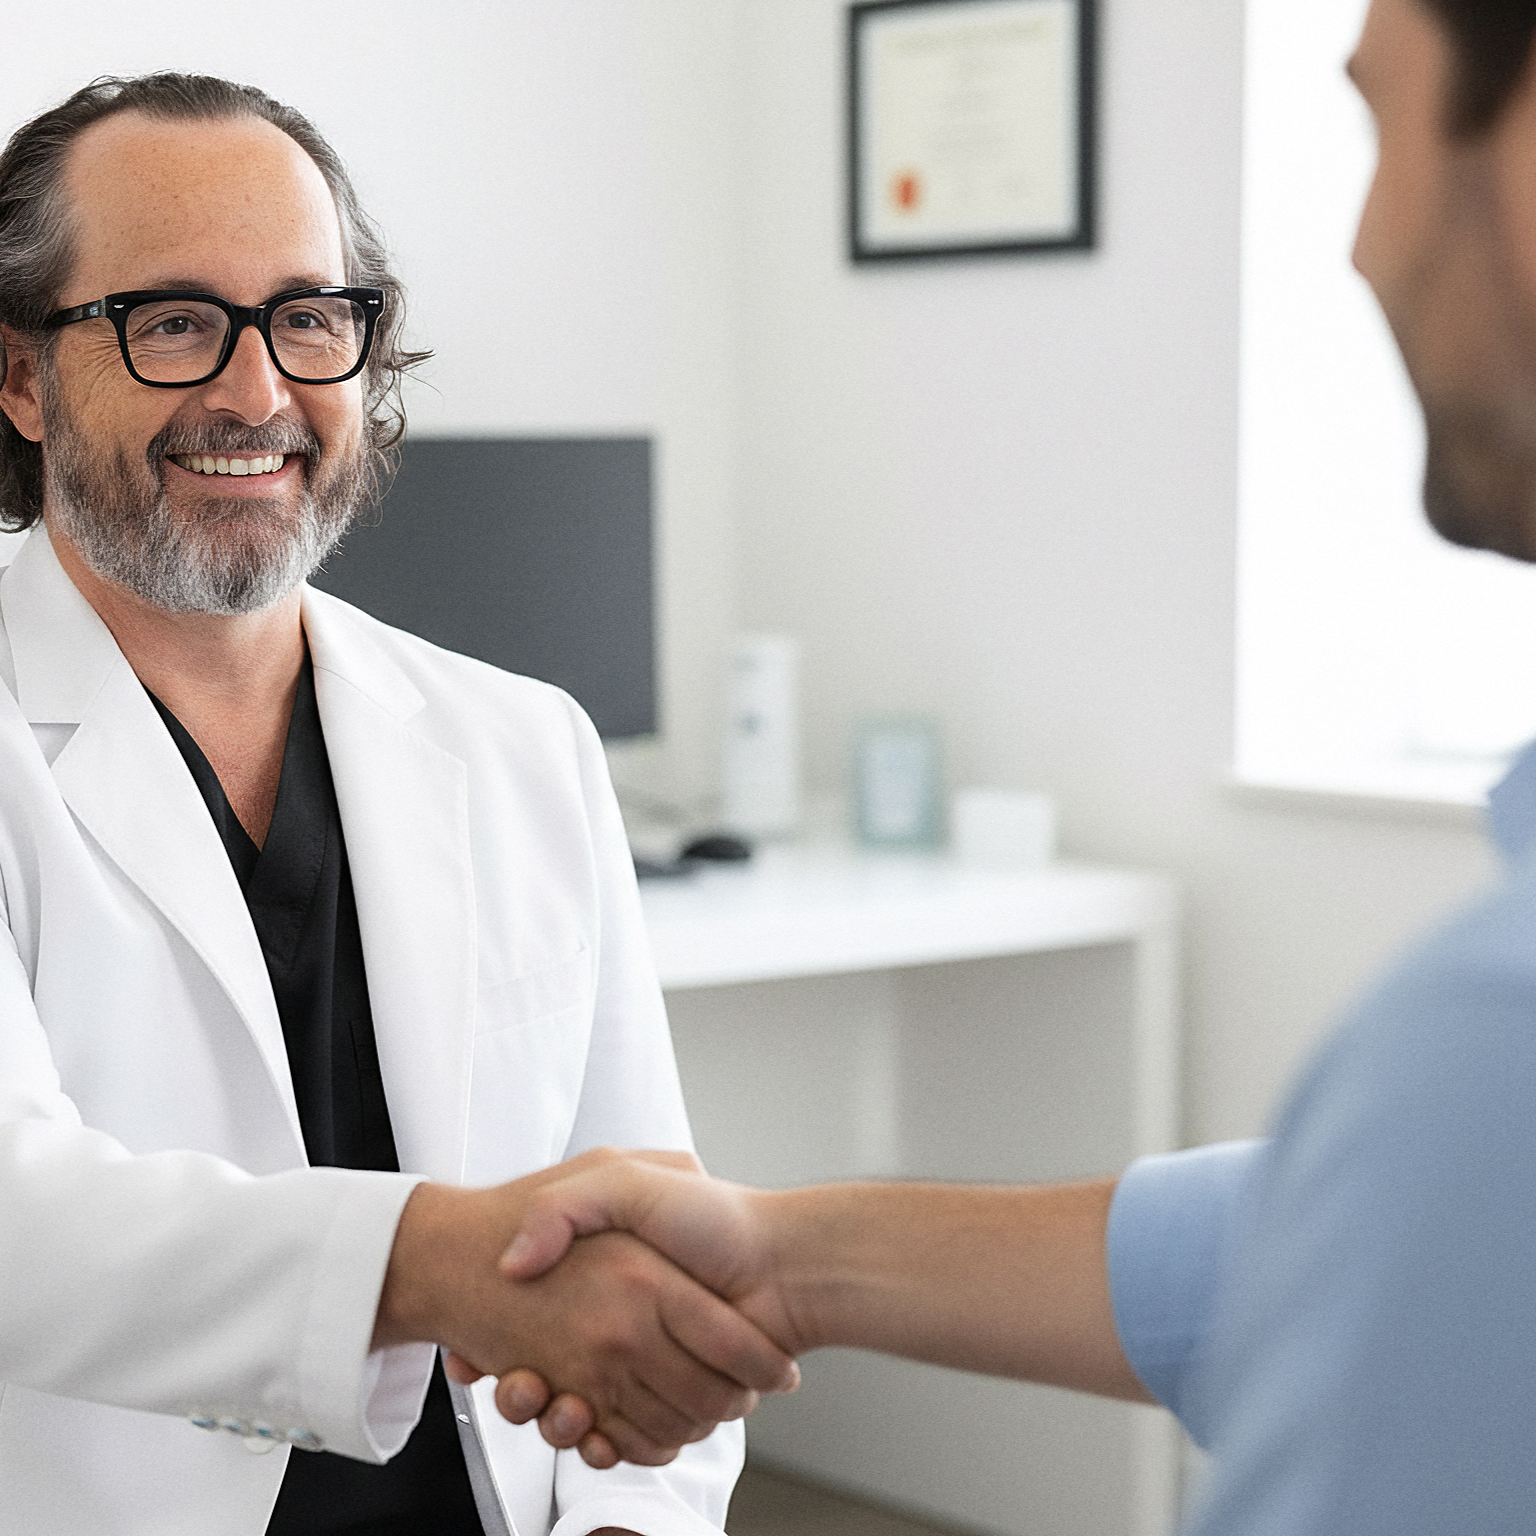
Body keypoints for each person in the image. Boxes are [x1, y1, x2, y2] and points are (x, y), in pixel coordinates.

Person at [468, 0, 1536, 1528]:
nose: (1363, 246)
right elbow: (1333, 1243)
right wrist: (780, 1255)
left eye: (1380, 124)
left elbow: (1436, 1217)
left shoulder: (1489, 1053)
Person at [0, 74, 798, 1536]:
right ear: (21, 376)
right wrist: (440, 1258)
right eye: (172, 322)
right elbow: (17, 1220)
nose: (255, 392)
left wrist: (641, 1524)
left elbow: (645, 1197)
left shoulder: (523, 743)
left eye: (309, 317)